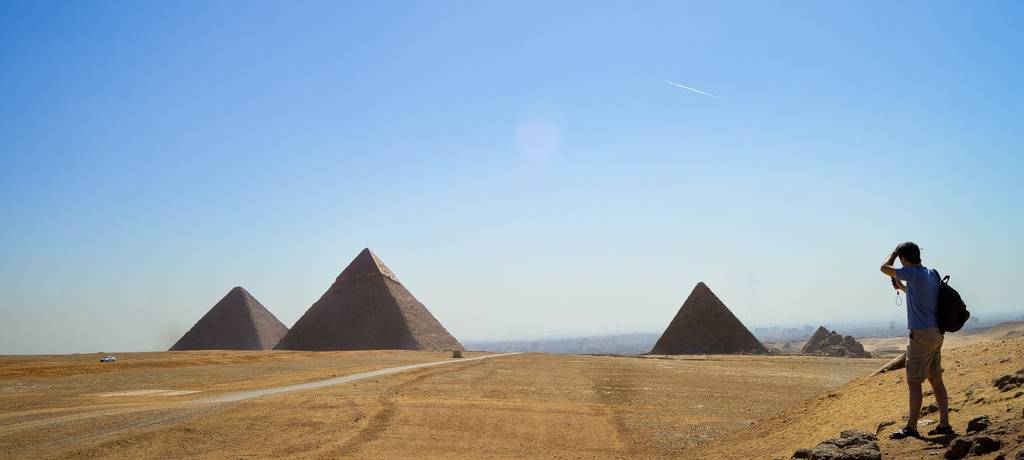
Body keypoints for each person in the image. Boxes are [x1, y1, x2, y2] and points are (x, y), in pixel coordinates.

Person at [879, 242, 954, 439]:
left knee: (914, 381)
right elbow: (923, 298)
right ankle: (944, 424)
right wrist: (903, 288)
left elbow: (883, 268)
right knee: (936, 379)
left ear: (904, 259)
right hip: (936, 333)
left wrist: (893, 252)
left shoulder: (911, 273)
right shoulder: (932, 273)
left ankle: (911, 427)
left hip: (921, 335)